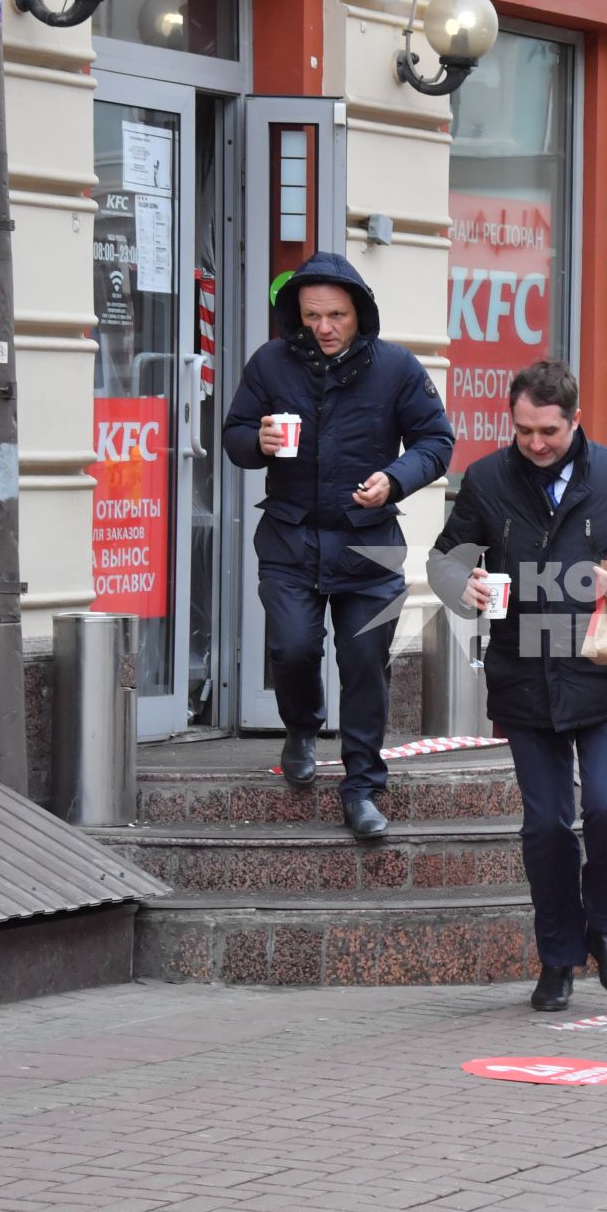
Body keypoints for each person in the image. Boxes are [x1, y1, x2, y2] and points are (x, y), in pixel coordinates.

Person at [428, 359, 607, 1011]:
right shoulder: (487, 480)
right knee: (546, 827)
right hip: (523, 681)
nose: (536, 444)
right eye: (524, 432)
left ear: (575, 421)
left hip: (604, 678)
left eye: (548, 431)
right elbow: (443, 558)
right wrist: (462, 585)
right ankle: (557, 959)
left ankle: (605, 928)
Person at [222, 252, 455, 840]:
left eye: (336, 315)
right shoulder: (270, 364)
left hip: (369, 545)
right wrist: (260, 441)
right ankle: (301, 727)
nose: (324, 328)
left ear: (360, 313)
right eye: (312, 316)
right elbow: (233, 435)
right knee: (294, 648)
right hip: (290, 535)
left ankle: (362, 788)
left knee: (364, 666)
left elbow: (436, 440)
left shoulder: (397, 368)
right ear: (296, 314)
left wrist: (394, 479)